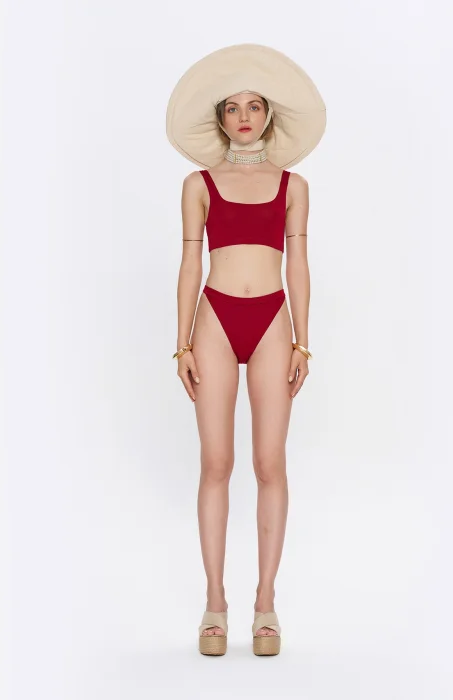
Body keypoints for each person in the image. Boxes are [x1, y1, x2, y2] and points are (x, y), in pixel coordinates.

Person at [166, 43, 326, 656]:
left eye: (253, 106)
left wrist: (303, 341)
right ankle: (214, 603)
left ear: (269, 114)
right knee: (216, 463)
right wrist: (180, 343)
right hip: (215, 317)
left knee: (269, 463)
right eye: (232, 107)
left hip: (271, 322)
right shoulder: (199, 184)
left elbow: (299, 265)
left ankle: (265, 605)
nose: (243, 117)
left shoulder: (293, 185)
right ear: (219, 117)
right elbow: (189, 263)